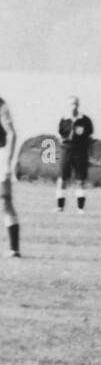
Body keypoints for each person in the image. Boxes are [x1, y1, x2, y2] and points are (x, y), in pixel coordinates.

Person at [56, 96, 94, 213]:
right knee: (62, 179)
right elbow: (58, 134)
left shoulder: (85, 120)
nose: (74, 106)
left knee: (80, 180)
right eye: (71, 104)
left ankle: (80, 208)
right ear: (68, 105)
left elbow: (89, 135)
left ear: (78, 105)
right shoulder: (64, 119)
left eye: (75, 104)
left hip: (80, 152)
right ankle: (60, 207)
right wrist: (61, 140)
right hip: (66, 150)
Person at [1, 95, 19, 257]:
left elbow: (12, 134)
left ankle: (14, 248)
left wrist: (7, 162)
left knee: (4, 202)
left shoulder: (1, 105)